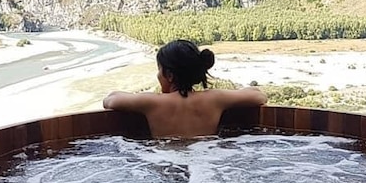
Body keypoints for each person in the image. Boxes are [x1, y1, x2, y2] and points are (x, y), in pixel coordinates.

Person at [102, 40, 267, 138]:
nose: (158, 76)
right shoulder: (214, 99)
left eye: (159, 70)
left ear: (169, 75)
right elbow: (259, 96)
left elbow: (111, 100)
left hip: (166, 164)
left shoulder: (152, 102)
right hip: (206, 163)